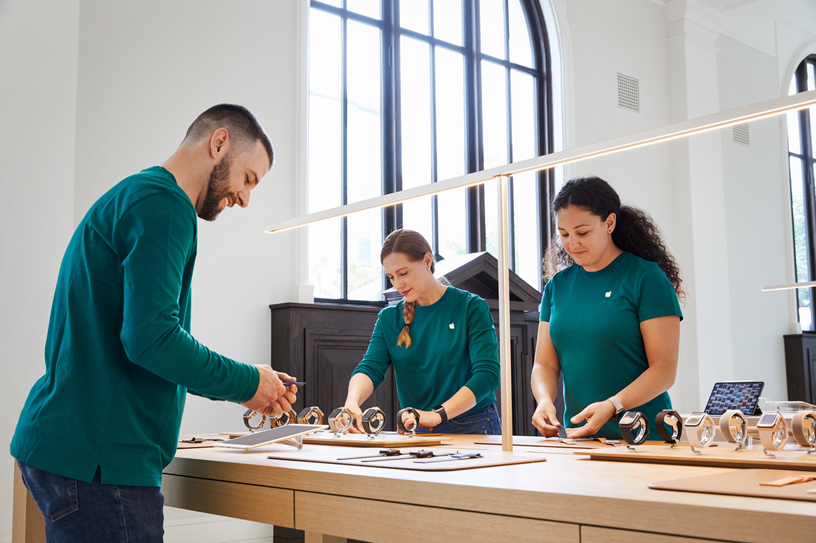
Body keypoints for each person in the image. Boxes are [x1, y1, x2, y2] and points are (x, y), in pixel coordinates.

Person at [11, 104, 298, 542]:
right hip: (102, 464)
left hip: (69, 446)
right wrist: (247, 382)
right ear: (218, 142)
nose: (245, 198)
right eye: (248, 178)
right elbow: (153, 339)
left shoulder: (136, 195)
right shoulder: (165, 205)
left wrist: (248, 388)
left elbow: (149, 337)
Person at [531, 176, 683, 440]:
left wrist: (613, 405)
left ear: (609, 223)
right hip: (583, 438)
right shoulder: (557, 286)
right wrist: (544, 400)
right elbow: (544, 363)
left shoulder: (646, 278)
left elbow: (664, 370)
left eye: (582, 232)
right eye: (564, 234)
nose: (572, 244)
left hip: (644, 436)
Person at [344, 229, 502, 435]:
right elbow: (370, 368)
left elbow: (488, 375)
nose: (398, 284)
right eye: (391, 277)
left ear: (427, 261)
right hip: (417, 427)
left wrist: (438, 415)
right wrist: (352, 401)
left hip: (473, 423)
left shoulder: (470, 307)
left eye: (403, 273)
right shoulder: (388, 319)